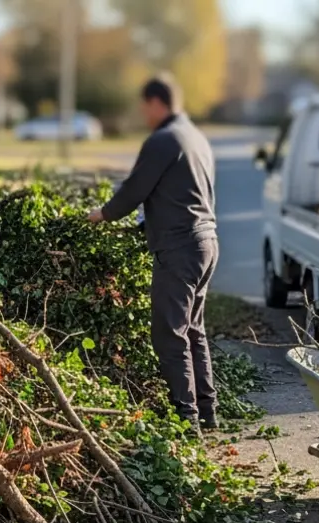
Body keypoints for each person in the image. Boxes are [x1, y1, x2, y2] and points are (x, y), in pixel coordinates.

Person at [88, 74, 219, 432]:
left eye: (144, 106)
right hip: (206, 241)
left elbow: (135, 189)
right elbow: (182, 191)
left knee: (169, 332)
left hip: (179, 247)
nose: (143, 113)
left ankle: (186, 418)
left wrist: (102, 215)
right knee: (194, 330)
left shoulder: (164, 139)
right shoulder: (195, 137)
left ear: (156, 103)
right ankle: (207, 413)